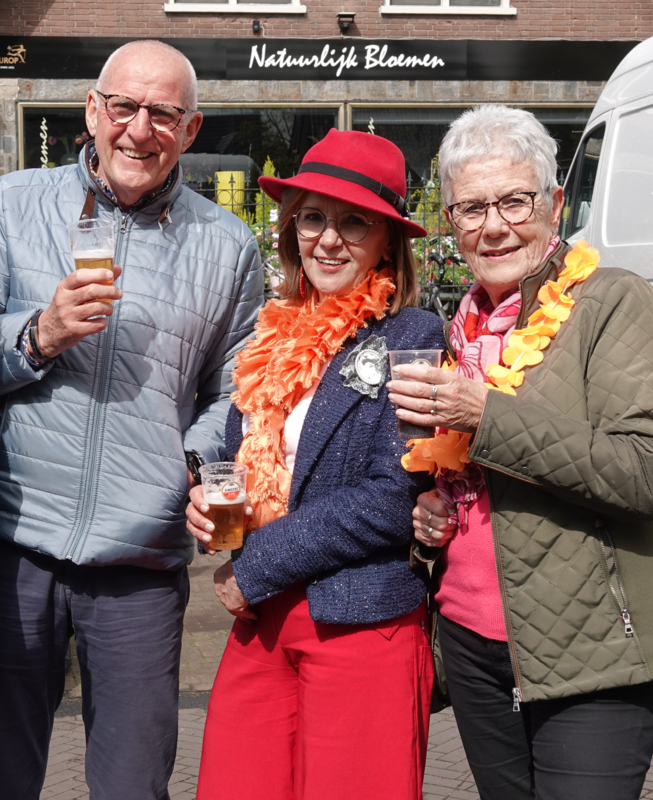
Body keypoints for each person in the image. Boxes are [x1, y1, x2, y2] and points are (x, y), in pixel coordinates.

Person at [0, 40, 263, 800]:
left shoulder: (227, 243)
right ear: (92, 111)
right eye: (123, 107)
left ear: (190, 129)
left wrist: (192, 466)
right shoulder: (15, 202)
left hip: (139, 560)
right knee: (0, 776)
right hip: (16, 541)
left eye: (164, 114)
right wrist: (38, 334)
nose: (139, 130)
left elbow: (236, 390)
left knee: (133, 782)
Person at [387, 105, 653, 800]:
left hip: (589, 646)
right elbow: (473, 480)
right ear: (451, 221)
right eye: (472, 208)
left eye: (515, 200)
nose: (494, 226)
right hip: (472, 642)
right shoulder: (460, 326)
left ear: (556, 203)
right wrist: (433, 514)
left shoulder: (613, 302)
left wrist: (488, 417)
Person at [186, 129, 445, 800]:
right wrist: (217, 509)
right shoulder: (269, 335)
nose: (328, 239)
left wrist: (255, 565)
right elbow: (255, 464)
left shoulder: (412, 338)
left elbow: (393, 497)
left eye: (353, 222)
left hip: (359, 619)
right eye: (312, 218)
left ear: (387, 240)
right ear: (291, 229)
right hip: (264, 618)